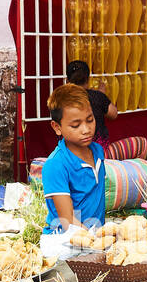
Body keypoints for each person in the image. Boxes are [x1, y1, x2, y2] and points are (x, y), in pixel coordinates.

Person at [42, 84, 105, 232]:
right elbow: (67, 220)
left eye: (90, 120)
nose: (86, 129)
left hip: (93, 236)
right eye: (76, 125)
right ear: (57, 127)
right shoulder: (56, 165)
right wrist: (94, 241)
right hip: (65, 241)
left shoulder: (98, 151)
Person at [65, 60, 147, 161]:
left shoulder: (61, 101)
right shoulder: (97, 97)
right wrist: (102, 95)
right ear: (88, 79)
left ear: (67, 81)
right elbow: (113, 114)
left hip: (70, 156)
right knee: (141, 143)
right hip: (99, 156)